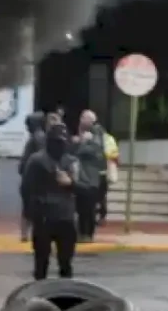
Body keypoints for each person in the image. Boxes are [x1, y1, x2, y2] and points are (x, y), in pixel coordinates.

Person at [21, 125, 79, 279]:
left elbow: (82, 188)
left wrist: (70, 183)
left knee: (65, 263)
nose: (59, 145)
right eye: (56, 141)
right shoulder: (37, 160)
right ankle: (39, 296)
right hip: (43, 216)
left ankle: (65, 296)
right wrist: (29, 213)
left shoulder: (70, 161)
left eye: (62, 141)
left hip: (65, 217)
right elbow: (26, 188)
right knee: (41, 264)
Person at [78, 110, 114, 224]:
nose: (81, 120)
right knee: (100, 196)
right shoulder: (95, 131)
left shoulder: (95, 132)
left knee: (97, 196)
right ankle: (100, 216)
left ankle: (98, 217)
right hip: (98, 170)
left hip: (98, 171)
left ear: (91, 120)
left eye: (83, 117)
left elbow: (94, 150)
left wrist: (82, 143)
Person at [18, 111, 47, 242]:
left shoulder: (38, 137)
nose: (27, 127)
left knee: (30, 207)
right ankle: (25, 233)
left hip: (32, 179)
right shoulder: (37, 137)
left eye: (28, 124)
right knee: (29, 206)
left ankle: (27, 233)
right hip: (30, 177)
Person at [72, 128, 104, 242]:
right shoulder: (88, 146)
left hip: (90, 183)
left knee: (89, 210)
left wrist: (81, 141)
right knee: (81, 210)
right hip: (84, 182)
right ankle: (82, 233)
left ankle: (87, 234)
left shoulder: (94, 146)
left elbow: (82, 152)